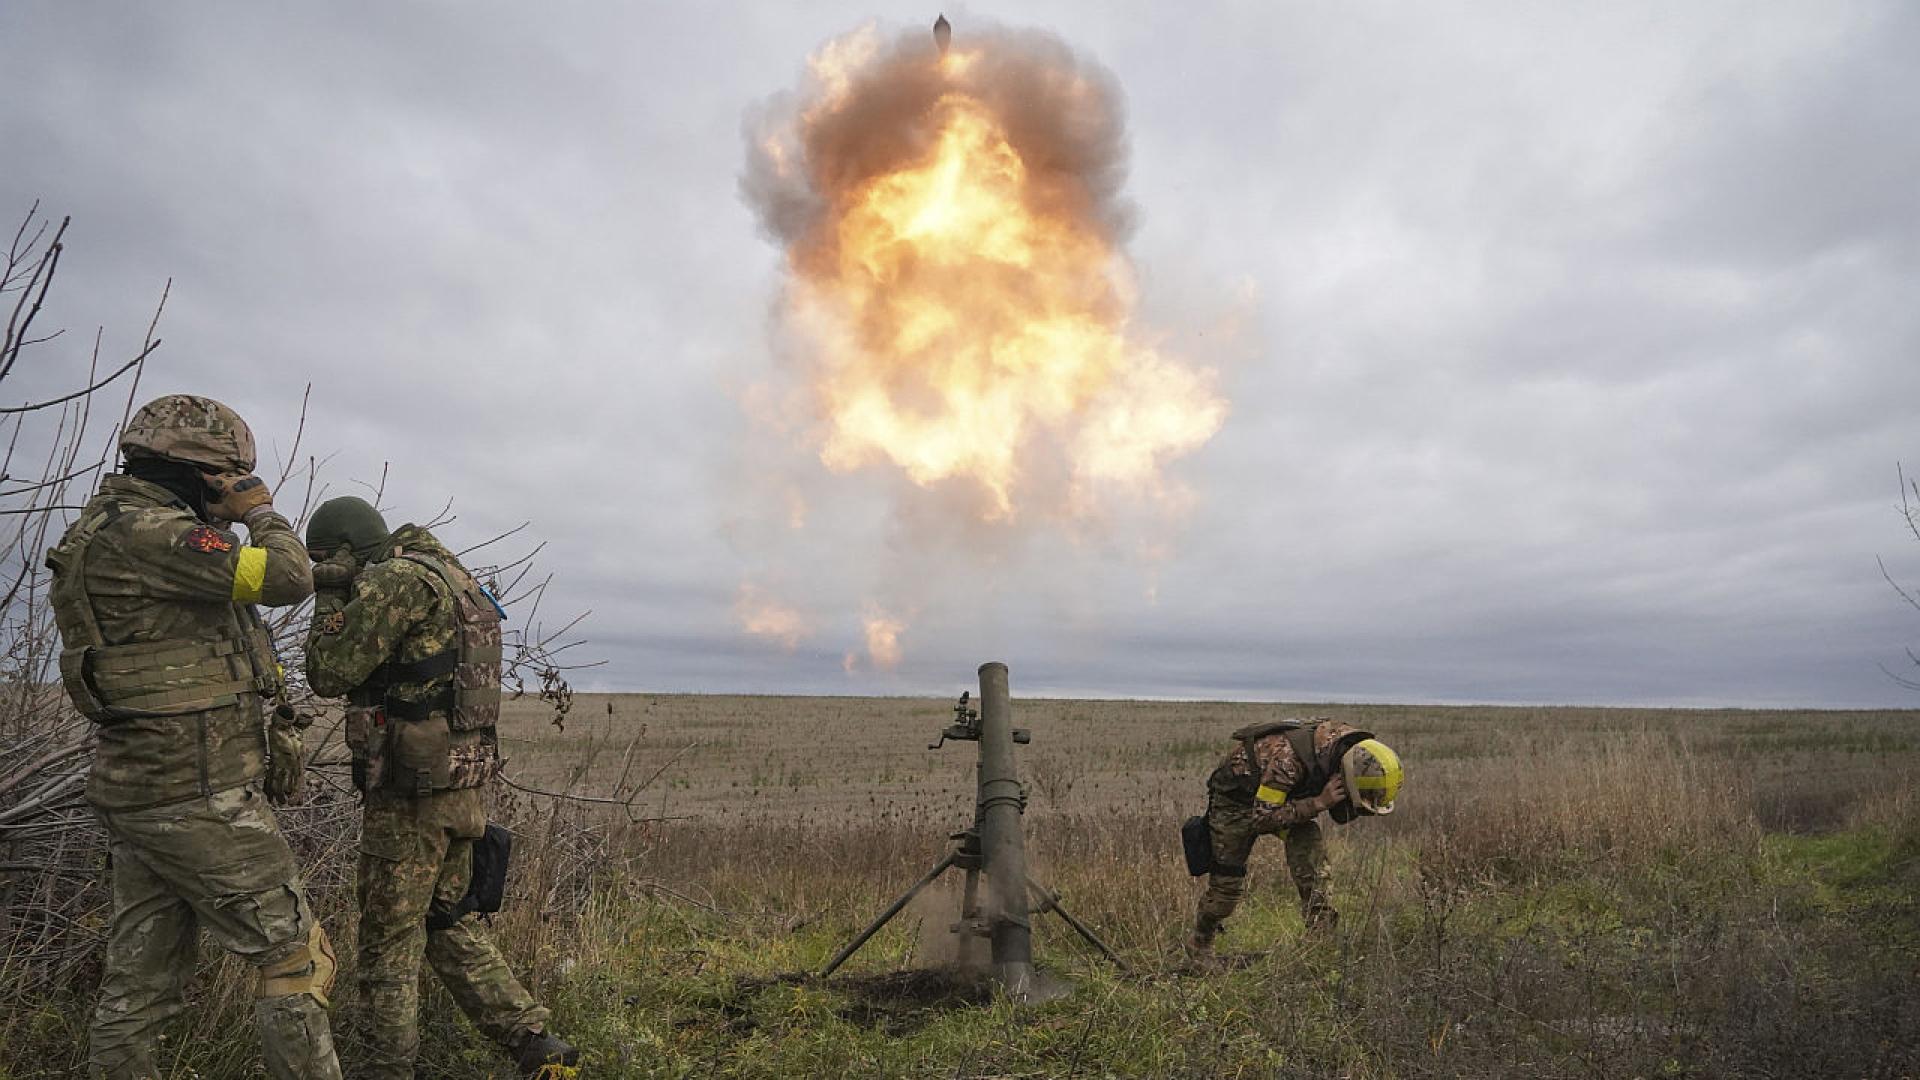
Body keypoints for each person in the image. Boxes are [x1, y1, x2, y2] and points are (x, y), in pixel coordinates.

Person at [46, 394, 340, 1079]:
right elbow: (287, 577)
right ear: (207, 474)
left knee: (141, 984)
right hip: (195, 791)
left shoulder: (107, 528)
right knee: (297, 958)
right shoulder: (157, 534)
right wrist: (260, 510)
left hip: (143, 787)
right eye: (227, 479)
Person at [301, 496, 578, 1078]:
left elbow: (328, 671)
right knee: (446, 921)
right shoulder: (451, 575)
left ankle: (386, 1069)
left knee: (387, 944)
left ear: (346, 552)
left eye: (326, 558)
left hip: (412, 795)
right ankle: (534, 1042)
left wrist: (329, 591)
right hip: (461, 784)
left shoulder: (396, 581)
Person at [1186, 717, 1402, 967]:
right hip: (1237, 806)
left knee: (1308, 843)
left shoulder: (1349, 749)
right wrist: (1318, 803)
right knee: (1226, 889)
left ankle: (1319, 941)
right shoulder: (1287, 763)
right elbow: (1262, 818)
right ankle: (1200, 944)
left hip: (1281, 799)